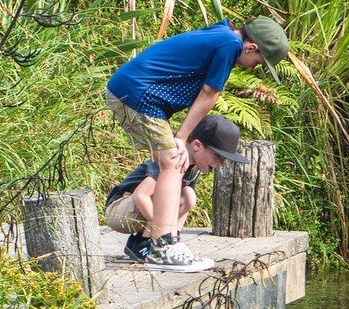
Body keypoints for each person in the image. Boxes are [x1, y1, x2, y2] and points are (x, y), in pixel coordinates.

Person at [104, 16, 288, 271]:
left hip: (136, 93)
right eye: (258, 62)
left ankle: (163, 243)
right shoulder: (229, 45)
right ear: (251, 48)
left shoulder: (223, 36)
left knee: (173, 165)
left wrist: (180, 136)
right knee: (173, 162)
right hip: (138, 94)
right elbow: (209, 94)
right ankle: (163, 246)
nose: (254, 68)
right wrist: (181, 137)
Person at [105, 113, 248, 265]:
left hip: (138, 212)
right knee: (169, 197)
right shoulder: (171, 160)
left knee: (188, 196)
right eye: (218, 156)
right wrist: (161, 226)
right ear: (197, 146)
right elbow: (141, 195)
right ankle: (148, 244)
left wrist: (170, 234)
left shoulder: (193, 169)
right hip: (119, 211)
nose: (220, 163)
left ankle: (169, 244)